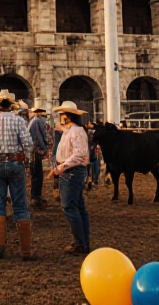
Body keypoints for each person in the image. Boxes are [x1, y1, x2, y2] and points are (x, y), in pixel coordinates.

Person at [0, 90, 36, 261]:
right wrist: (24, 157)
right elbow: (28, 144)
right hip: (15, 163)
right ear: (11, 106)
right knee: (20, 205)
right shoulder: (20, 121)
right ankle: (25, 251)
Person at [49, 101, 91, 254]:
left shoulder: (75, 132)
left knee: (70, 207)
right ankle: (83, 242)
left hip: (72, 172)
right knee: (77, 207)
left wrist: (60, 167)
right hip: (72, 172)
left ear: (67, 116)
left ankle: (80, 243)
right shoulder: (73, 131)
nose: (60, 117)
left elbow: (79, 155)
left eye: (62, 114)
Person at [27, 105, 51, 208]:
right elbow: (41, 136)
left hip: (34, 151)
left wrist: (41, 148)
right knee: (37, 175)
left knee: (36, 175)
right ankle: (36, 197)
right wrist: (44, 148)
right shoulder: (39, 121)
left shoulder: (34, 121)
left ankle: (35, 197)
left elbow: (37, 137)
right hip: (36, 151)